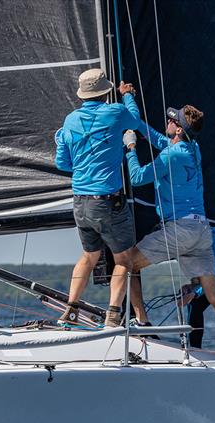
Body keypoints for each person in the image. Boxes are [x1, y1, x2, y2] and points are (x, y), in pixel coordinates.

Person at [123, 105, 215, 355]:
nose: (167, 121)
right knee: (213, 294)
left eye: (171, 120)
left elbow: (136, 177)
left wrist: (131, 148)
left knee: (126, 263)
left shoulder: (170, 157)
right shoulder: (193, 148)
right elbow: (159, 139)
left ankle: (142, 322)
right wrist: (132, 114)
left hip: (182, 229)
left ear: (178, 129)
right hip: (202, 230)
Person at [55, 68, 142, 327]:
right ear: (106, 91)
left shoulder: (70, 120)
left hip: (80, 202)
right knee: (124, 259)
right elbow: (135, 121)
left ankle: (70, 309)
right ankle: (113, 316)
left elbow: (63, 163)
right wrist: (127, 95)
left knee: (88, 256)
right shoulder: (115, 112)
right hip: (107, 202)